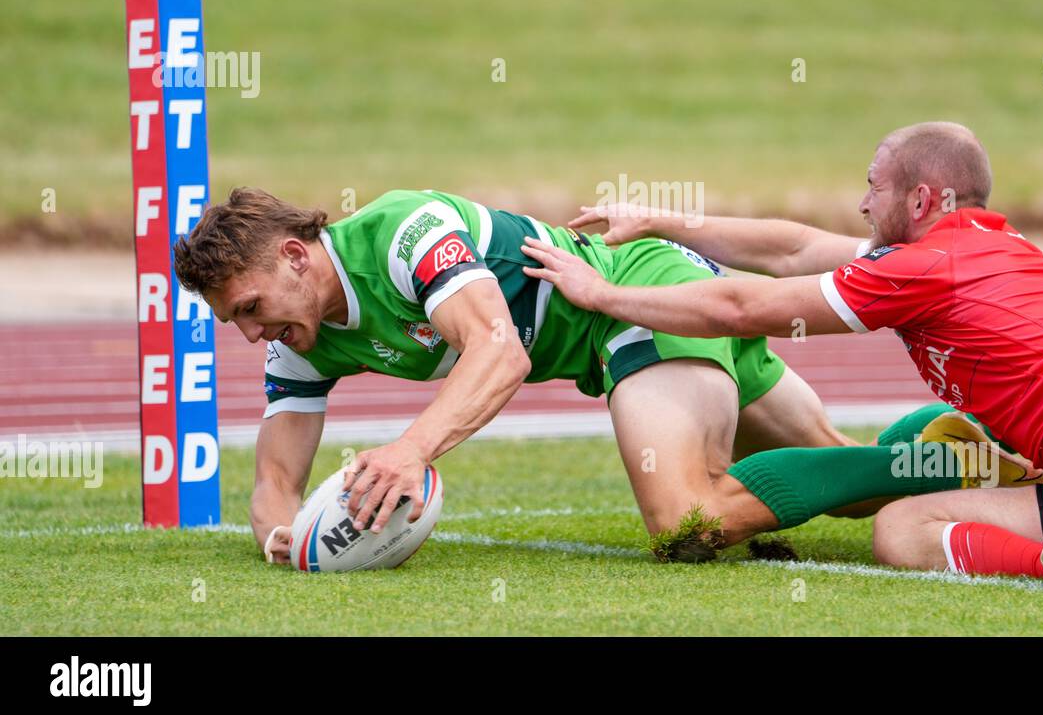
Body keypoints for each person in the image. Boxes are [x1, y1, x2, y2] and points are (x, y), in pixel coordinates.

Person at [521, 122, 1043, 590]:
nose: (863, 204)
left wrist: (602, 295)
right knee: (902, 532)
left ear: (922, 200)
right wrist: (658, 220)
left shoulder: (927, 265)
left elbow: (740, 305)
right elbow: (791, 247)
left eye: (873, 188)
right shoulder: (956, 245)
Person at [173, 186, 998, 565]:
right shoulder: (300, 337)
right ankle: (953, 454)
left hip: (639, 298)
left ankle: (963, 459)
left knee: (687, 521)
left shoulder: (403, 233)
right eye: (235, 323)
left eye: (249, 308)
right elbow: (273, 482)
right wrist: (289, 538)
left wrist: (409, 450)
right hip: (629, 327)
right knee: (849, 483)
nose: (251, 336)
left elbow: (501, 352)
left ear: (292, 255)